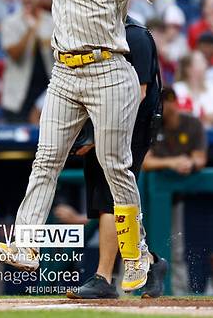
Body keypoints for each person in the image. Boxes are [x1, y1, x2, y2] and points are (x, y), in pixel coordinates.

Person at [0, 0, 200, 291]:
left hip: (108, 70)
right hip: (65, 73)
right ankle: (26, 244)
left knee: (115, 166)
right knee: (46, 158)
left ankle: (136, 257)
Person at [65, 17, 169, 299]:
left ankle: (104, 277)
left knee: (110, 200)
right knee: (105, 200)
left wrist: (102, 134)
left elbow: (139, 93)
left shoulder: (135, 35)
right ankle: (150, 263)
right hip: (104, 124)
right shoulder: (94, 33)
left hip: (133, 125)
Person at [142, 87, 208, 295]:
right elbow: (146, 162)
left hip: (174, 196)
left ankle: (178, 294)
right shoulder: (152, 123)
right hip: (144, 196)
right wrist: (173, 162)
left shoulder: (191, 123)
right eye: (163, 103)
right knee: (135, 247)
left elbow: (200, 158)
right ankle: (129, 292)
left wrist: (189, 163)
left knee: (175, 249)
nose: (167, 107)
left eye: (170, 102)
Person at [0, 0, 53, 123]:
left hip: (47, 87)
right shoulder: (11, 22)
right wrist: (31, 30)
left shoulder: (52, 21)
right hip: (19, 91)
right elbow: (14, 54)